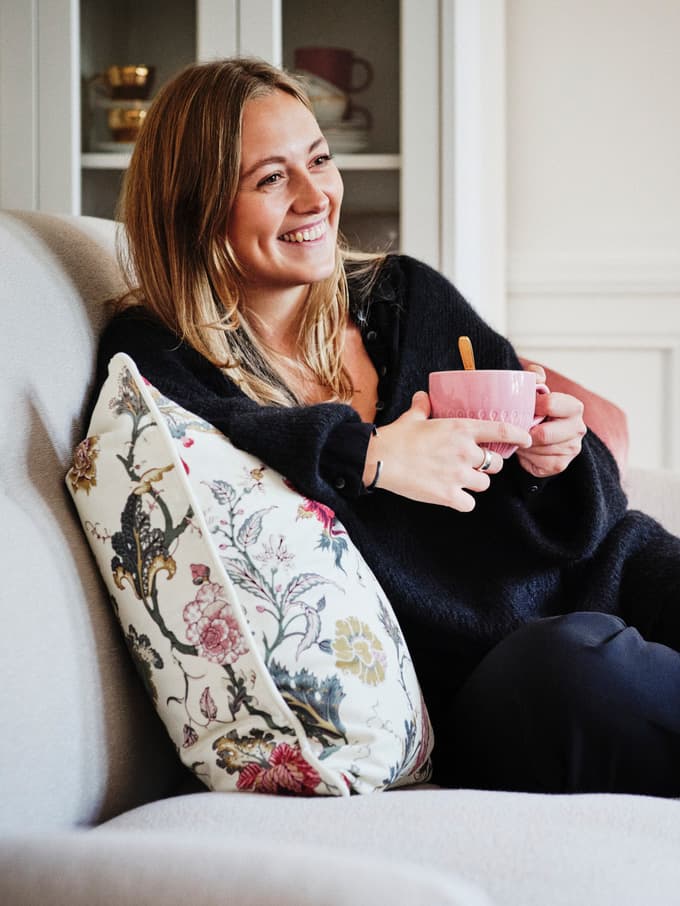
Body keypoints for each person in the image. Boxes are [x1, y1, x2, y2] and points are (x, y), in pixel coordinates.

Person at [95, 57, 680, 797]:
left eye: (319, 160)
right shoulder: (164, 356)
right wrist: (370, 455)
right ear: (195, 205)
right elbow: (243, 433)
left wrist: (558, 459)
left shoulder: (402, 297)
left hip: (615, 577)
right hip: (498, 684)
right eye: (271, 179)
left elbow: (594, 518)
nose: (316, 198)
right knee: (574, 673)